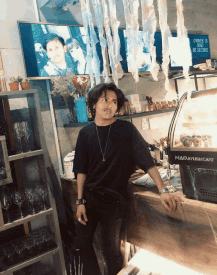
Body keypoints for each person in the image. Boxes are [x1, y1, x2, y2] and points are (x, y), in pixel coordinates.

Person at [73, 83, 183, 275]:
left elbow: (147, 161)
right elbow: (81, 170)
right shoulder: (85, 134)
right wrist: (80, 201)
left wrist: (163, 190)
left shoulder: (126, 130)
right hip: (90, 198)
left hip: (114, 201)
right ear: (93, 104)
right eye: (105, 100)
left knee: (112, 253)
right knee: (81, 245)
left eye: (114, 101)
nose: (110, 105)